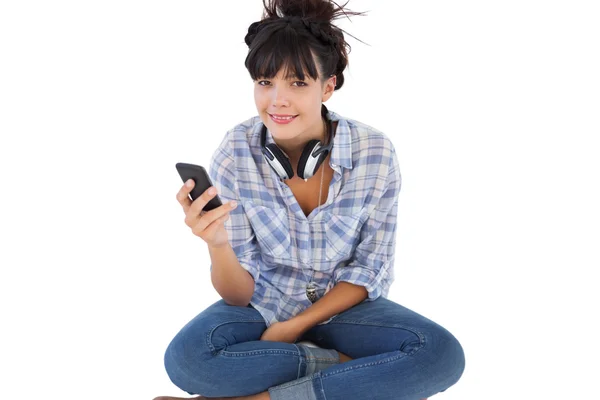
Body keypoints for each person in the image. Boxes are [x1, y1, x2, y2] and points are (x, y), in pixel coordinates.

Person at [154, 1, 465, 399]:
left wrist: (294, 328)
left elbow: (370, 268)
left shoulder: (374, 152)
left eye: (298, 83)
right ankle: (341, 367)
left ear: (328, 86)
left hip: (345, 310)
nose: (277, 100)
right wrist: (218, 246)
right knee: (187, 361)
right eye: (265, 82)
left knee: (440, 355)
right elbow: (238, 295)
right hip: (263, 305)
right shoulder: (235, 150)